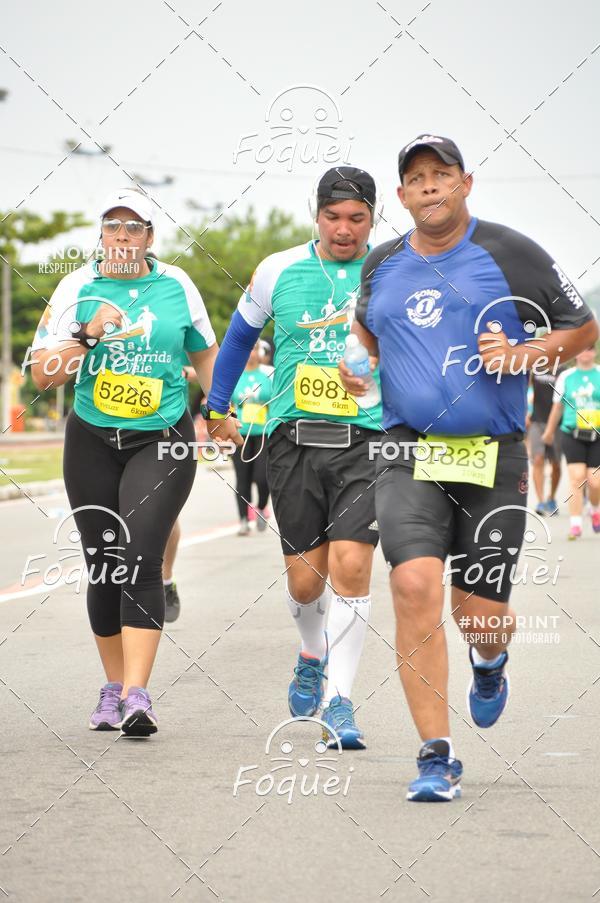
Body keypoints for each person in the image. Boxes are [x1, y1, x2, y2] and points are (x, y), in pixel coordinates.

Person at [339, 135, 597, 800]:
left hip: (495, 450)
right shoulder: (382, 264)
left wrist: (522, 353)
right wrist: (356, 365)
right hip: (406, 451)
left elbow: (581, 330)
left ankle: (491, 659)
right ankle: (435, 754)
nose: (429, 186)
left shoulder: (513, 253)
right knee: (415, 586)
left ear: (466, 184)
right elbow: (365, 332)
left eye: (441, 175)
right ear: (401, 196)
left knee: (480, 611)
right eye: (416, 178)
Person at [203, 166, 384, 748]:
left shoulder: (394, 270)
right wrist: (215, 408)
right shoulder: (276, 269)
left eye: (356, 218)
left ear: (373, 218)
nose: (344, 229)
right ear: (317, 216)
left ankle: (340, 702)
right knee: (307, 582)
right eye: (333, 217)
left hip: (368, 438)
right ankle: (311, 653)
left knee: (353, 567)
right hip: (293, 440)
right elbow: (236, 339)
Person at [29, 187, 217, 736]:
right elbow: (43, 375)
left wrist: (226, 411)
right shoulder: (76, 286)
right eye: (112, 227)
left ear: (150, 237)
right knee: (104, 562)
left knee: (140, 551)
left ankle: (139, 693)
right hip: (90, 438)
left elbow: (204, 353)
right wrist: (87, 333)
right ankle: (112, 689)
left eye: (133, 228)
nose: (122, 237)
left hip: (161, 437)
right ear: (101, 234)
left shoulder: (176, 285)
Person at [542, 346, 600, 539]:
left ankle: (594, 508)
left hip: (596, 435)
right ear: (576, 354)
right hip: (571, 432)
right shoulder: (566, 377)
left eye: (590, 349)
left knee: (594, 480)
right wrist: (549, 431)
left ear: (594, 352)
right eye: (583, 349)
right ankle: (575, 523)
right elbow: (557, 407)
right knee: (576, 478)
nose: (586, 352)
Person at [231, 340, 273, 535]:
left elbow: (277, 400)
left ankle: (262, 508)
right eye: (248, 348)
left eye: (254, 348)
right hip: (241, 434)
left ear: (260, 351)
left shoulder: (268, 373)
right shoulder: (234, 373)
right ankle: (243, 520)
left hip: (263, 433)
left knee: (262, 477)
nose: (251, 353)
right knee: (242, 478)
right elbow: (225, 403)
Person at [527, 368, 563, 516]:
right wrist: (526, 412)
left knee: (556, 463)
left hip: (557, 424)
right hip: (536, 421)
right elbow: (526, 390)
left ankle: (552, 497)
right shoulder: (535, 369)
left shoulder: (562, 371)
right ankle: (541, 501)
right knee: (538, 459)